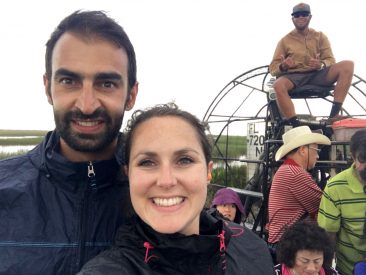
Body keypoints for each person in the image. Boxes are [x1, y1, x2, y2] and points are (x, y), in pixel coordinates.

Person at [0, 10, 138, 274]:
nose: (86, 105)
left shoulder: (158, 198)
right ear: (47, 87)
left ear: (131, 95)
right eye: (69, 81)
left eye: (106, 83)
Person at [78, 103, 275, 274]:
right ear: (128, 174)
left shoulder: (252, 248)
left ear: (208, 172)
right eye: (147, 162)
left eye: (184, 160)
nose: (166, 181)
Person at [269, 3, 354, 127]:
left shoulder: (320, 36)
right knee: (278, 84)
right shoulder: (285, 41)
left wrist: (321, 64)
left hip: (317, 75)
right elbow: (273, 68)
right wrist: (283, 66)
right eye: (297, 15)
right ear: (292, 19)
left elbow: (331, 60)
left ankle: (333, 116)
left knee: (348, 65)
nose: (301, 17)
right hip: (294, 77)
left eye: (304, 14)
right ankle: (295, 124)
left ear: (310, 17)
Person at [267, 126, 331, 262]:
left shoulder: (286, 169)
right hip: (287, 244)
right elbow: (326, 205)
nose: (318, 156)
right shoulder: (295, 173)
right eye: (316, 150)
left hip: (281, 242)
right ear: (303, 150)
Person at [318, 129, 366, 275]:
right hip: (349, 269)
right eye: (363, 159)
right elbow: (328, 234)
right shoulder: (335, 187)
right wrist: (326, 270)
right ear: (352, 156)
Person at [274, 221, 338, 275]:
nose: (311, 268)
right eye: (304, 261)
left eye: (317, 261)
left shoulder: (331, 273)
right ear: (290, 258)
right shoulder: (274, 272)